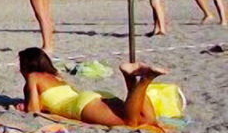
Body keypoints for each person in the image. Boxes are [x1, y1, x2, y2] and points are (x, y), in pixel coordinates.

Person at [18, 47, 165, 128]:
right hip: (97, 96)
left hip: (80, 106)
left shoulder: (33, 77)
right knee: (148, 120)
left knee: (130, 122)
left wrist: (25, 106)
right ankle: (130, 78)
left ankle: (146, 79)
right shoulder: (56, 76)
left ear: (26, 67)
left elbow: (34, 111)